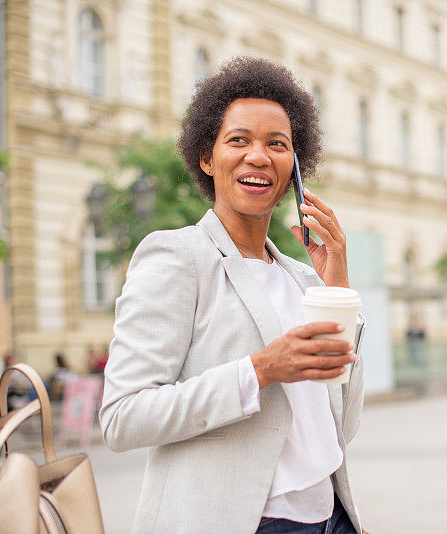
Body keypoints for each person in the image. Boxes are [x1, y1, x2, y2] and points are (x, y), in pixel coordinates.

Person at [99, 57, 366, 534]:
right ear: (207, 157)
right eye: (238, 140)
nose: (258, 157)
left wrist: (339, 293)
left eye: (277, 144)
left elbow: (342, 421)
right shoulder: (176, 257)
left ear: (295, 167)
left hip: (332, 517)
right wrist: (260, 371)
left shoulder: (304, 282)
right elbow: (123, 417)